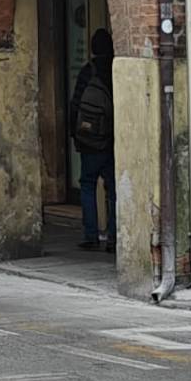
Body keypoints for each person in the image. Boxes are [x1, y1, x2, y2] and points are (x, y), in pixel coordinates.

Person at [70, 27, 116, 254]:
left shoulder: (89, 72)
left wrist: (75, 135)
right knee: (114, 189)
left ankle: (91, 235)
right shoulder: (117, 68)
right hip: (114, 140)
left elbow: (76, 104)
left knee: (87, 184)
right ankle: (115, 237)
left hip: (91, 142)